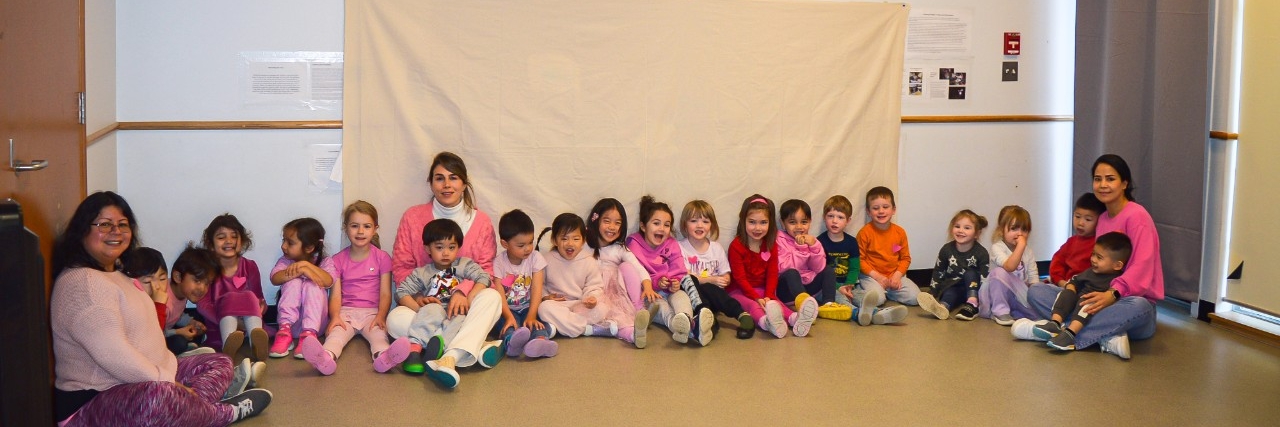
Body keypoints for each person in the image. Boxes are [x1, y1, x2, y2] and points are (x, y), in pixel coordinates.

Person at [51, 191, 270, 426]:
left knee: (219, 362)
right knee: (159, 398)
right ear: (83, 230)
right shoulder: (83, 283)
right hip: (97, 400)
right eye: (104, 224)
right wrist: (168, 383)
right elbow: (114, 356)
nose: (116, 231)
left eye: (122, 224)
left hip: (147, 378)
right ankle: (223, 413)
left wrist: (171, 380)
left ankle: (190, 410)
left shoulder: (117, 274)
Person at [1014, 154, 1165, 360]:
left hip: (1128, 303)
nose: (1103, 185)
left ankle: (1059, 331)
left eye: (1110, 179)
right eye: (1097, 179)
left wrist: (1112, 295)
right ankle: (1105, 336)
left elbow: (1142, 267)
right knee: (1038, 291)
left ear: (1124, 183)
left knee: (1138, 305)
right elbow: (1096, 266)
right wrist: (1074, 287)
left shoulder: (1137, 216)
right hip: (1096, 300)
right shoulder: (1102, 219)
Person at [298, 201, 411, 375]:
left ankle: (384, 357)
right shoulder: (337, 260)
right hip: (345, 313)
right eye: (354, 226)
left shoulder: (382, 258)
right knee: (335, 337)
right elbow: (335, 296)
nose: (360, 231)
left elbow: (386, 292)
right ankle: (325, 358)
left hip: (372, 313)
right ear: (346, 228)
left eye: (366, 226)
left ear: (375, 229)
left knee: (379, 337)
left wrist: (381, 316)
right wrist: (335, 316)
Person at [388, 219, 503, 389]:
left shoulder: (464, 264)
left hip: (458, 313)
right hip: (434, 313)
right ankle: (465, 346)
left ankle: (438, 348)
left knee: (484, 302)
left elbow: (484, 278)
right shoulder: (423, 272)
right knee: (397, 318)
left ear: (458, 247)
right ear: (428, 248)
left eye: (451, 247)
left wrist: (467, 298)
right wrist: (420, 309)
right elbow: (401, 292)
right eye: (439, 247)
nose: (446, 253)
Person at [392, 151, 497, 285]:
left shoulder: (482, 222)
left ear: (464, 184)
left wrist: (461, 293)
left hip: (469, 299)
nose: (446, 184)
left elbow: (486, 271)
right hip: (423, 299)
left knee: (492, 297)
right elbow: (401, 267)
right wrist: (420, 298)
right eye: (440, 178)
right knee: (402, 308)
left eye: (453, 178)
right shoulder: (411, 217)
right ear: (431, 183)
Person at [626, 195, 716, 346]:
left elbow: (679, 270)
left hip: (671, 289)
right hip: (650, 293)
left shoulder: (672, 243)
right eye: (656, 223)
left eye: (666, 225)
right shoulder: (634, 244)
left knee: (681, 297)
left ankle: (686, 318)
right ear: (643, 226)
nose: (661, 228)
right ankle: (682, 327)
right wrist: (656, 282)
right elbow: (635, 274)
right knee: (661, 308)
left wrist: (674, 283)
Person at [727, 195, 819, 338]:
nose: (757, 228)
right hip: (739, 290)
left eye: (763, 222)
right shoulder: (736, 246)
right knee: (754, 306)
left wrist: (769, 295)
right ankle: (767, 323)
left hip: (763, 289)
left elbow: (772, 273)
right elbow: (739, 278)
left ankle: (796, 319)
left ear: (770, 223)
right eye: (752, 222)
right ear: (743, 221)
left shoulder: (770, 244)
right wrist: (757, 298)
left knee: (777, 303)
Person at [1035, 232, 1133, 351]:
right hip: (1077, 303)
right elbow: (1075, 279)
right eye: (1093, 254)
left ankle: (1070, 334)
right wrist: (1070, 287)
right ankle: (1055, 323)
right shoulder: (1090, 272)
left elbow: (1119, 298)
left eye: (1099, 257)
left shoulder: (1118, 280)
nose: (1093, 260)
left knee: (1087, 303)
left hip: (1093, 309)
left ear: (1117, 265)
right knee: (1060, 292)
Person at [676, 200, 755, 339]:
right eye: (694, 220)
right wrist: (711, 279)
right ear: (684, 224)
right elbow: (685, 277)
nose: (700, 225)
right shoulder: (679, 247)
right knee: (697, 283)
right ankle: (709, 322)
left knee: (711, 289)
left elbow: (726, 275)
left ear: (711, 225)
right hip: (693, 299)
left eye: (705, 221)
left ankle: (742, 315)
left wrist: (724, 279)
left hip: (715, 297)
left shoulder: (716, 248)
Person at [197, 214, 269, 361]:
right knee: (229, 298)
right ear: (211, 244)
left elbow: (260, 299)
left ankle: (256, 342)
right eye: (221, 237)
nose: (229, 241)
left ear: (242, 241)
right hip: (220, 324)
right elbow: (202, 305)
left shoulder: (250, 266)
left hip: (249, 322)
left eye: (234, 236)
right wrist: (226, 318)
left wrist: (258, 311)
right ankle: (228, 345)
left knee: (249, 296)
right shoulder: (207, 269)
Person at [491, 209, 558, 359]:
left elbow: (536, 289)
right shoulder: (499, 262)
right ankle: (511, 342)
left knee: (536, 324)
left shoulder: (535, 258)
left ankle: (541, 342)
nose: (528, 248)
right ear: (505, 244)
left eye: (530, 242)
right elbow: (499, 292)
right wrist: (508, 316)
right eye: (521, 245)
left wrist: (532, 315)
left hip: (528, 306)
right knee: (505, 325)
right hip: (507, 309)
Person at [268, 218, 336, 358]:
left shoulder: (324, 261)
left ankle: (309, 337)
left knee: (312, 285)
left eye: (290, 243)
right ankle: (284, 333)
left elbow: (329, 281)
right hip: (290, 325)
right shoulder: (285, 261)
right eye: (283, 240)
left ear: (309, 247)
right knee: (293, 282)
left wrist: (307, 267)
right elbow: (275, 279)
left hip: (316, 326)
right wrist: (299, 272)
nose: (283, 246)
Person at [583, 198, 646, 347]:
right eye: (607, 221)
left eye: (617, 223)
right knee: (600, 314)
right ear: (595, 220)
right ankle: (600, 329)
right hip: (593, 292)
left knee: (621, 315)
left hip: (615, 293)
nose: (612, 227)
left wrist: (647, 285)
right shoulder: (585, 245)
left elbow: (638, 268)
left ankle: (634, 328)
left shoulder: (619, 249)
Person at [917, 210, 990, 321]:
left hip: (973, 288)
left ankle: (973, 303)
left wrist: (985, 300)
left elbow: (985, 277)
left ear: (976, 234)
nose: (961, 231)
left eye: (967, 228)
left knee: (970, 273)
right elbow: (938, 272)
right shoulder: (946, 250)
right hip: (954, 286)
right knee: (950, 293)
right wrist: (933, 292)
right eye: (957, 226)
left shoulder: (981, 253)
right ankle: (942, 308)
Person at [856, 186, 920, 307]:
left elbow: (905, 258)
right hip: (871, 277)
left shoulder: (900, 232)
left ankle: (888, 292)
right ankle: (860, 290)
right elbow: (860, 260)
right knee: (878, 300)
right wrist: (878, 277)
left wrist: (897, 276)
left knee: (915, 297)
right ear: (868, 212)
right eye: (876, 208)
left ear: (893, 209)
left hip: (894, 276)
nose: (881, 211)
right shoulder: (864, 233)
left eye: (885, 207)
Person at [774, 199, 838, 320]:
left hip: (808, 288)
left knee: (828, 270)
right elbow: (784, 268)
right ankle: (804, 305)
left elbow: (819, 268)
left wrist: (814, 246)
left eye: (804, 222)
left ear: (810, 222)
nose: (799, 227)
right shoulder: (778, 240)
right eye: (792, 222)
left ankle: (828, 304)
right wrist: (801, 249)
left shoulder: (812, 240)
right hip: (787, 290)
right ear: (783, 223)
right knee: (792, 273)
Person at [979, 205, 1039, 325]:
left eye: (1024, 230)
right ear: (1001, 230)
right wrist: (1021, 246)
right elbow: (1009, 267)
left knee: (1039, 300)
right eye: (1014, 229)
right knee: (999, 272)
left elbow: (1033, 278)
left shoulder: (1028, 252)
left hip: (1017, 295)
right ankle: (1000, 311)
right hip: (997, 295)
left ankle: (1017, 312)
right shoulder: (997, 248)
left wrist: (1037, 296)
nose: (1020, 234)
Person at [816, 195, 859, 320]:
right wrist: (839, 288)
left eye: (840, 217)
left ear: (848, 220)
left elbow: (854, 268)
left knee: (861, 296)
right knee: (839, 297)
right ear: (824, 217)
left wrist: (849, 285)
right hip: (828, 287)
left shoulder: (852, 242)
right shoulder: (819, 242)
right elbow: (820, 271)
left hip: (848, 284)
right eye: (831, 216)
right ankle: (856, 313)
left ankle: (874, 312)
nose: (835, 221)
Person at [1049, 193, 1105, 286]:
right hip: (1067, 287)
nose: (1080, 223)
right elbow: (1057, 262)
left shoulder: (1101, 243)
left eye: (1088, 219)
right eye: (1077, 216)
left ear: (1100, 220)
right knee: (1036, 289)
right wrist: (1061, 282)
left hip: (1089, 289)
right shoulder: (1071, 242)